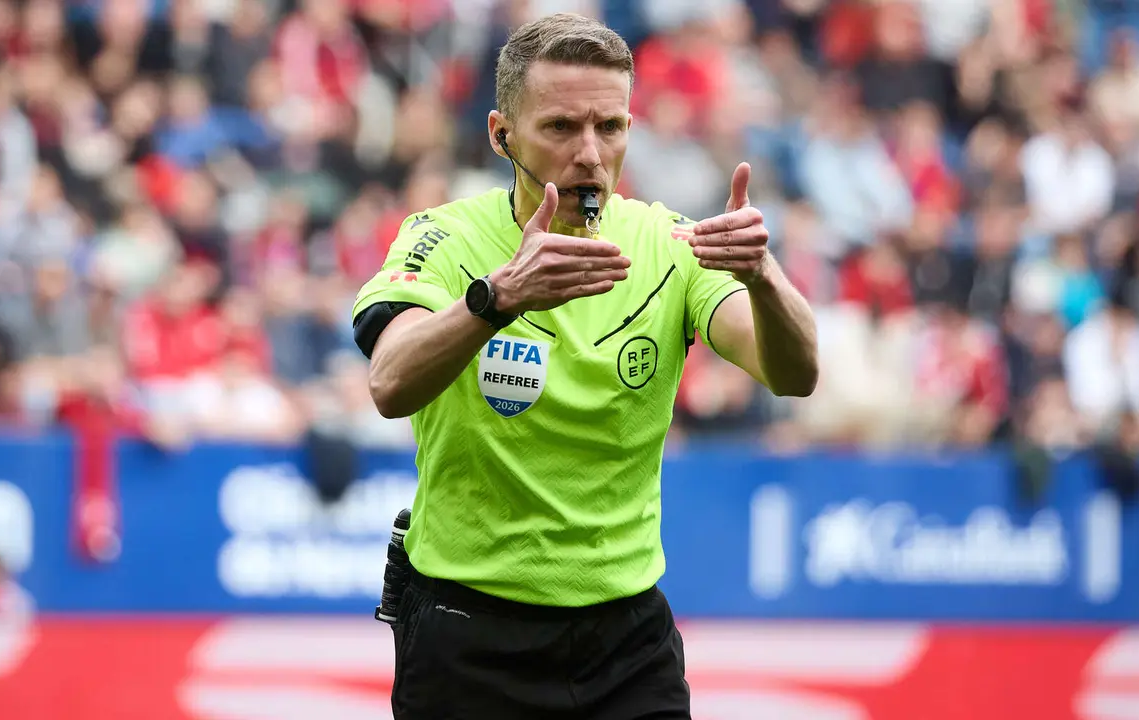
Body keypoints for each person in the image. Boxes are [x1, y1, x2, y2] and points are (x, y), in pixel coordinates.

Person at [350, 12, 818, 719]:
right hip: (467, 633)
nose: (592, 154)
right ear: (501, 134)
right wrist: (498, 298)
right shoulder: (442, 238)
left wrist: (763, 276)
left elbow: (795, 374)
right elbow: (389, 384)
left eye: (611, 127)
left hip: (625, 642)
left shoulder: (669, 244)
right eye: (562, 128)